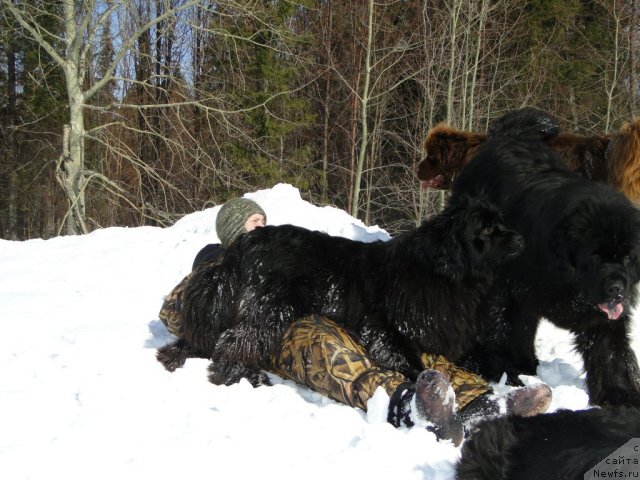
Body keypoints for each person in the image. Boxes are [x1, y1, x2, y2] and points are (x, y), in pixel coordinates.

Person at [157, 197, 551, 446]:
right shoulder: (213, 262)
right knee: (333, 351)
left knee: (412, 344)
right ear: (231, 237)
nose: (260, 228)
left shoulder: (284, 251)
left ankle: (480, 402)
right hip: (297, 328)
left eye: (263, 220)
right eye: (250, 225)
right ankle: (405, 405)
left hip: (318, 302)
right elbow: (177, 309)